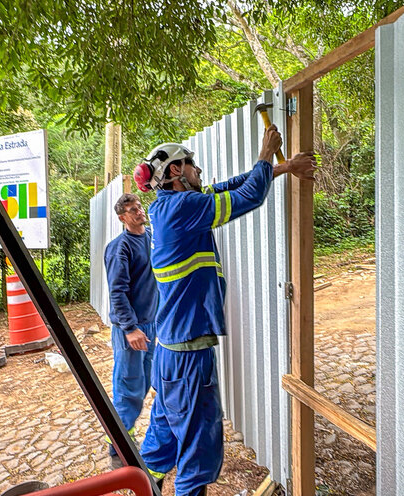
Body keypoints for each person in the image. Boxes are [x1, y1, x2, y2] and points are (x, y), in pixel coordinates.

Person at [132, 127, 315, 496]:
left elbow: (231, 186)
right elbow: (248, 196)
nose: (198, 170)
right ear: (174, 172)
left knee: (165, 434)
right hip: (189, 355)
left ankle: (146, 484)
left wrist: (284, 167)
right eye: (192, 164)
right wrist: (267, 152)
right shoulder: (184, 208)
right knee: (198, 447)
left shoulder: (172, 207)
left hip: (170, 352)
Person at [103, 193, 158, 469]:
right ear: (122, 218)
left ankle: (125, 435)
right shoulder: (120, 247)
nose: (138, 212)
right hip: (132, 329)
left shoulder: (151, 238)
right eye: (131, 210)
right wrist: (130, 328)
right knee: (128, 387)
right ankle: (119, 446)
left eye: (139, 207)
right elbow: (118, 292)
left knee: (145, 381)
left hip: (151, 323)